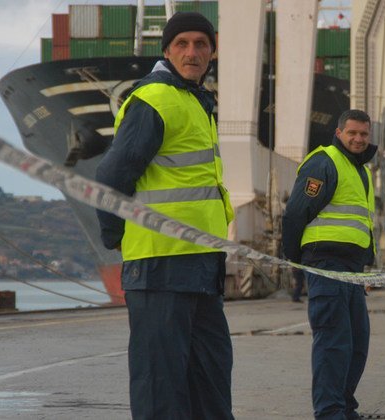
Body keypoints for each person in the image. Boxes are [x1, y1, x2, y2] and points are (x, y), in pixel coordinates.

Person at [95, 12, 233, 419]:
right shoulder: (154, 99)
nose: (193, 52)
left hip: (201, 265)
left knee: (211, 374)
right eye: (183, 44)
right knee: (161, 382)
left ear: (212, 50)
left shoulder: (196, 100)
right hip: (158, 264)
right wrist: (115, 238)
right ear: (167, 50)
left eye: (201, 44)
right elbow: (110, 176)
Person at [281, 109, 376, 419]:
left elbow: (363, 223)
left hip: (352, 271)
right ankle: (329, 411)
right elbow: (296, 213)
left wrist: (368, 263)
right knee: (334, 345)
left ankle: (344, 407)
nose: (359, 139)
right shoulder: (324, 162)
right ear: (339, 133)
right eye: (353, 133)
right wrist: (296, 260)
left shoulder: (360, 170)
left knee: (357, 346)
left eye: (363, 134)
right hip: (326, 266)